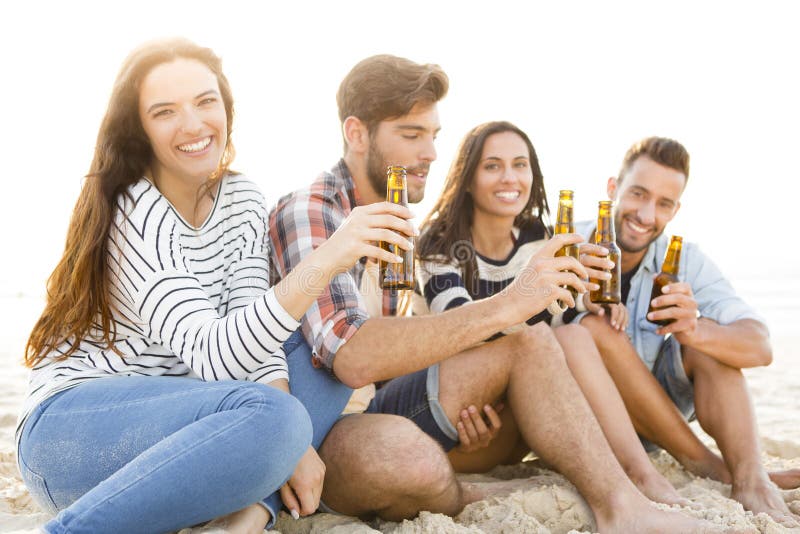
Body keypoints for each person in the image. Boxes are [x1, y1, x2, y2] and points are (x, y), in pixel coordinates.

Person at [269, 55, 719, 532]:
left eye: (433, 135)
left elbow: (392, 355)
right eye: (411, 134)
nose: (430, 153)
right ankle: (469, 491)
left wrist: (570, 311)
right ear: (356, 134)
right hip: (312, 432)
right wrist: (512, 304)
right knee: (409, 462)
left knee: (534, 343)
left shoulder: (396, 216)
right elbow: (352, 356)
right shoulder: (313, 211)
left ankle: (622, 504)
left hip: (372, 405)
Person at [17, 38, 413, 534]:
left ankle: (242, 516)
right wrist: (329, 257)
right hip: (73, 439)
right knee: (280, 415)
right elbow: (215, 352)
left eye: (206, 101)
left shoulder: (243, 198)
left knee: (325, 354)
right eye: (164, 112)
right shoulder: (135, 211)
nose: (193, 124)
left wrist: (289, 444)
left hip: (191, 434)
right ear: (139, 128)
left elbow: (257, 341)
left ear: (226, 107)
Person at [416, 119, 692, 506]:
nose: (509, 177)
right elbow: (465, 329)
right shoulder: (438, 246)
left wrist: (586, 304)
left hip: (512, 417)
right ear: (467, 177)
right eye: (492, 165)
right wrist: (562, 302)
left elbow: (554, 320)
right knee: (562, 333)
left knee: (583, 329)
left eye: (520, 164)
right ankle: (642, 471)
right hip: (459, 420)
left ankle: (641, 471)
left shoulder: (536, 238)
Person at [569, 136, 800, 527]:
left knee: (712, 342)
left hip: (657, 429)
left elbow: (760, 347)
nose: (645, 214)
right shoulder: (566, 242)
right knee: (592, 327)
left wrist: (694, 331)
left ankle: (749, 479)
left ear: (675, 210)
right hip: (585, 424)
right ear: (613, 189)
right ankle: (710, 466)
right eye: (638, 194)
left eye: (663, 203)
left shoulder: (686, 260)